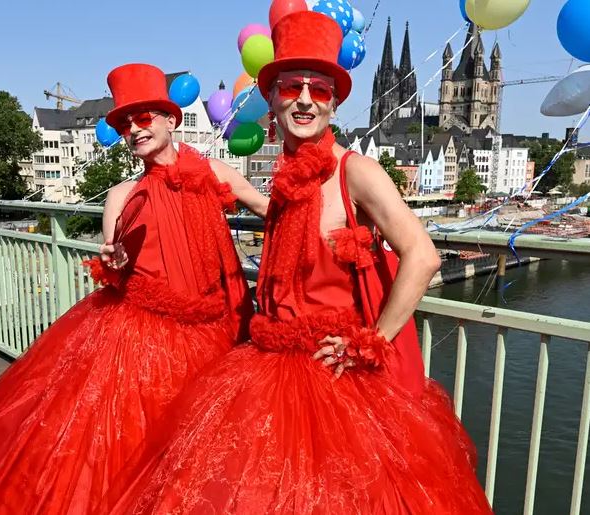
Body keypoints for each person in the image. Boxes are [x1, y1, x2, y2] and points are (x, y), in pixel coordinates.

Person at [109, 12, 491, 514]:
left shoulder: (357, 171)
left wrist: (372, 339)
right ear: (272, 100)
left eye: (319, 88)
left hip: (334, 377)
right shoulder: (285, 181)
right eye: (292, 87)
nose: (305, 99)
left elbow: (422, 256)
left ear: (334, 103)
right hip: (269, 367)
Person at [0, 63, 268, 515]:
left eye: (143, 118)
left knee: (205, 452)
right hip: (143, 339)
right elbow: (112, 252)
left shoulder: (214, 173)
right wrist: (114, 260)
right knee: (133, 447)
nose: (133, 129)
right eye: (125, 123)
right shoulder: (121, 195)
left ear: (172, 120)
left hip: (217, 329)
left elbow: (274, 212)